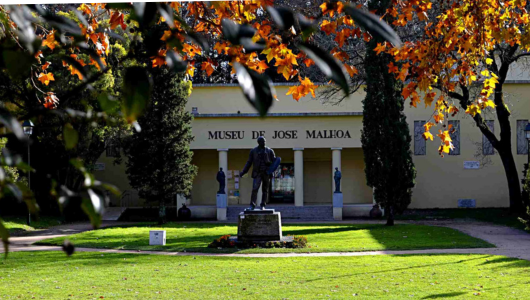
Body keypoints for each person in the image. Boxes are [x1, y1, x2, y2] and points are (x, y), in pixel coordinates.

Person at [240, 136, 276, 210]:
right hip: (257, 173)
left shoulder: (270, 151)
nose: (264, 143)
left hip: (266, 173)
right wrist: (244, 171)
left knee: (265, 190)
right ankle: (252, 205)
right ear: (259, 142)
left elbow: (275, 163)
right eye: (262, 142)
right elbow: (249, 162)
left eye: (265, 141)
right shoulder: (253, 151)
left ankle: (263, 205)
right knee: (255, 189)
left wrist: (273, 172)